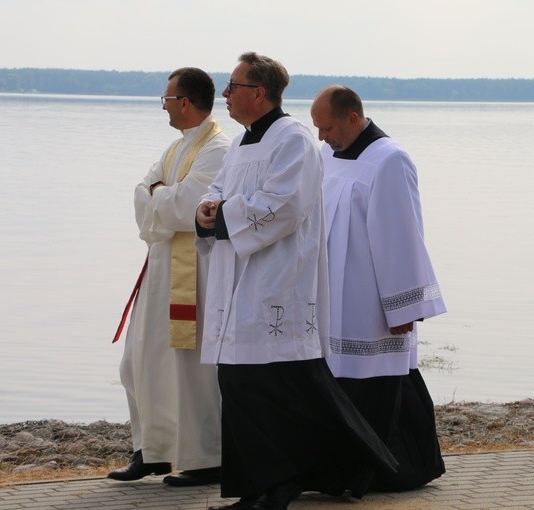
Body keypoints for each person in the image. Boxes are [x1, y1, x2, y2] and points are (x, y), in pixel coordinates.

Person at [195, 52, 398, 510]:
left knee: (274, 391)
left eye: (232, 86)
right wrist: (206, 208)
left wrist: (222, 216)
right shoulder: (243, 142)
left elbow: (283, 205)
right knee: (240, 386)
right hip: (235, 279)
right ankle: (258, 487)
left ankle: (280, 485)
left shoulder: (294, 141)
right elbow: (218, 188)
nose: (224, 94)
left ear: (258, 93)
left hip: (275, 283)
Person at [310, 84, 448, 491]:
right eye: (317, 128)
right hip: (332, 292)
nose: (321, 136)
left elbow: (402, 236)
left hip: (370, 297)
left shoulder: (390, 159)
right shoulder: (327, 154)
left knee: (380, 381)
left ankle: (392, 469)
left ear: (353, 118)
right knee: (336, 378)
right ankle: (339, 471)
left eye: (328, 126)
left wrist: (403, 308)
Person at [108, 67, 230, 487]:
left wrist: (160, 196)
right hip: (159, 269)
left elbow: (186, 206)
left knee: (189, 370)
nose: (163, 106)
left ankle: (205, 457)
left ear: (184, 102)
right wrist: (161, 197)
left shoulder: (218, 149)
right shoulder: (175, 148)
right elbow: (142, 194)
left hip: (193, 275)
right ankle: (152, 451)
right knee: (138, 362)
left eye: (166, 99)